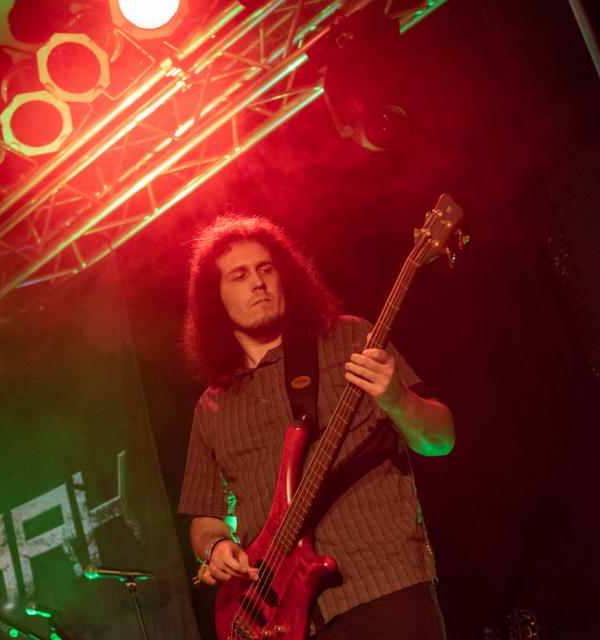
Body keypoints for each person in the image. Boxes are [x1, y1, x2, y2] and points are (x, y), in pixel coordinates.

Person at [178, 214, 455, 639]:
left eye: (266, 269)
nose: (258, 283)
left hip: (381, 586)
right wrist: (216, 547)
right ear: (214, 299)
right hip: (280, 621)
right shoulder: (211, 406)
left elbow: (439, 440)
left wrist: (397, 398)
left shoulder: (348, 339)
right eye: (239, 275)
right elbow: (207, 518)